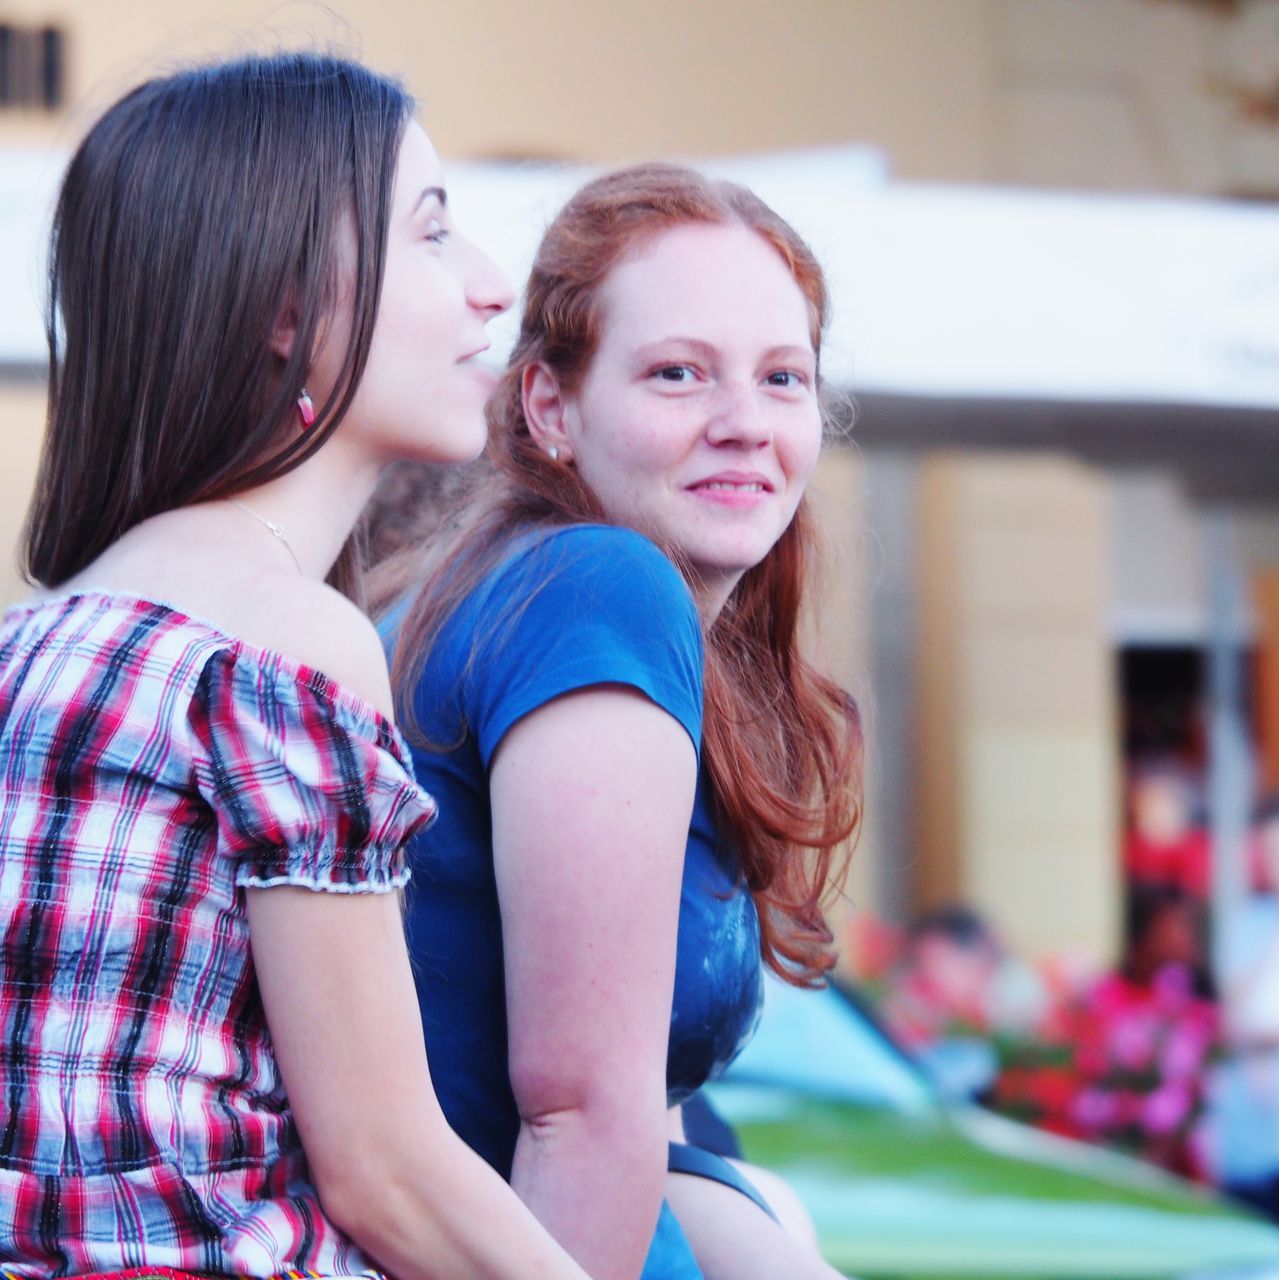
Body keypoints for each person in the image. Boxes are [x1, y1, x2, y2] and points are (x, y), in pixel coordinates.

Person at [0, 52, 594, 1280]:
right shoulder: (284, 644)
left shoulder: (32, 643)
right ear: (283, 304)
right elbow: (385, 1171)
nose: (491, 289)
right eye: (433, 233)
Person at [374, 163, 863, 1280]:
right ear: (550, 406)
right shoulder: (595, 588)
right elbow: (577, 1116)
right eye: (679, 373)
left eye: (783, 378)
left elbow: (650, 1118)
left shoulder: (484, 587)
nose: (744, 423)